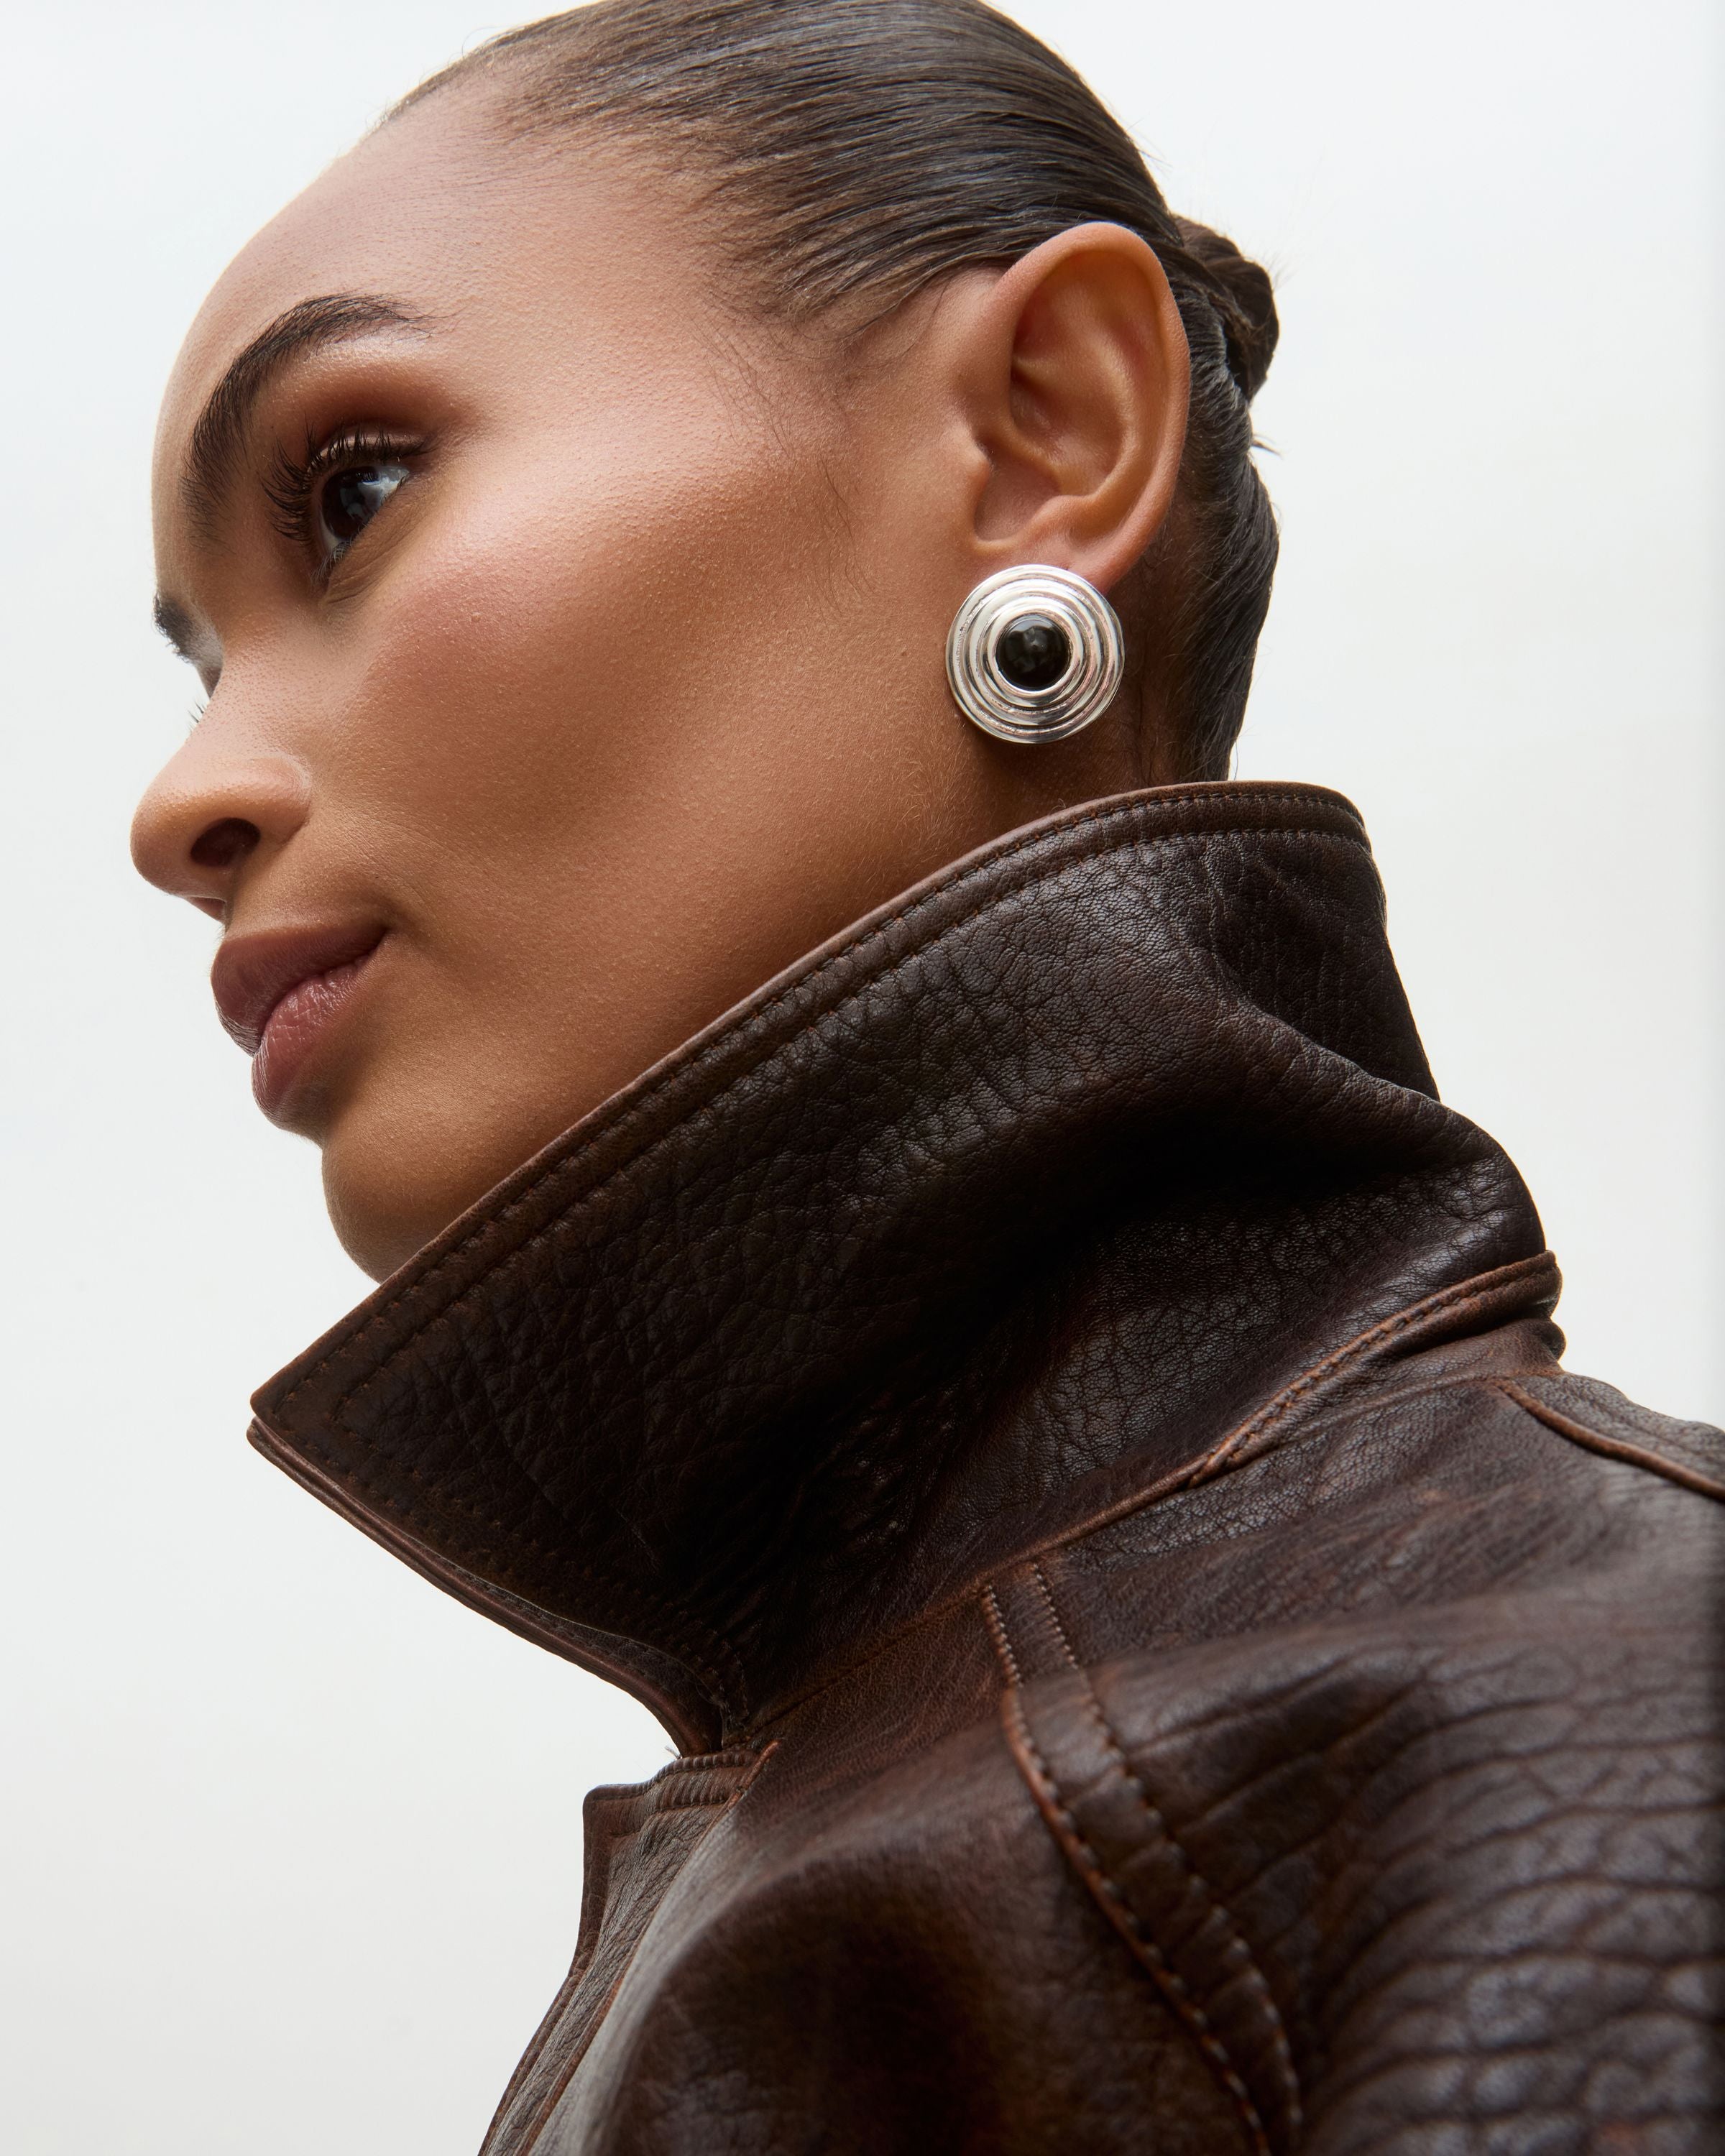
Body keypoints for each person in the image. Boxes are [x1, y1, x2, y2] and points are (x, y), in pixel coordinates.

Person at [129, 2, 1723, 2149]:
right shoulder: (903, 1776)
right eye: (208, 656)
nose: (184, 801)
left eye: (357, 490)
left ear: (1047, 435)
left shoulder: (1584, 1711)